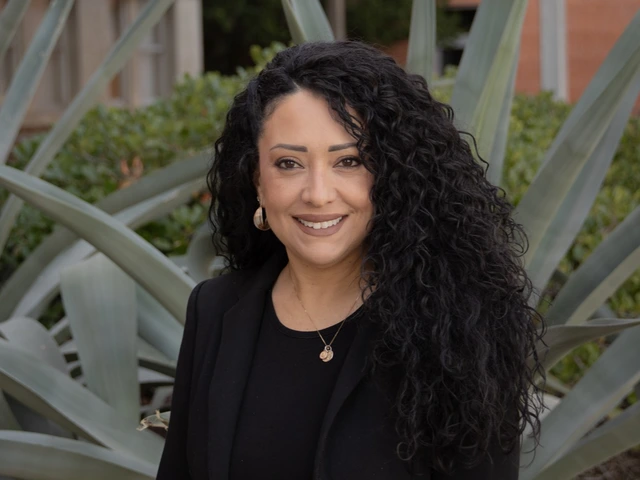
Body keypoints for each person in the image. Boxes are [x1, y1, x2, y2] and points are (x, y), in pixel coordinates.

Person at [156, 40, 544, 480]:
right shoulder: (214, 310)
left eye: (349, 160)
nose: (318, 193)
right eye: (288, 163)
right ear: (257, 181)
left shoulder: (459, 327)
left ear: (392, 176)